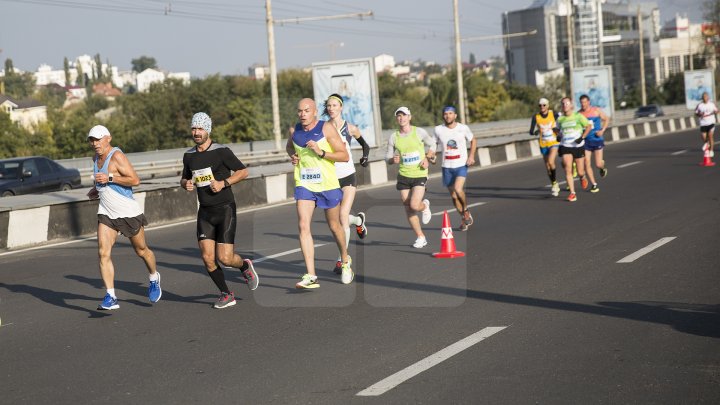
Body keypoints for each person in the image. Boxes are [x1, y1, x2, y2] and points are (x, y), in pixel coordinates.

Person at [181, 112, 258, 309]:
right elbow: (184, 177)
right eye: (194, 129)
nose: (196, 133)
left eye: (200, 129)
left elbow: (243, 171)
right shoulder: (189, 155)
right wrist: (186, 183)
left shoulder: (221, 151)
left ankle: (244, 265)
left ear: (208, 130)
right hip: (205, 212)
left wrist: (224, 183)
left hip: (225, 209)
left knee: (225, 258)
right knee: (207, 258)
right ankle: (226, 293)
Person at [86, 125, 161, 310]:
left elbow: (135, 180)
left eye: (98, 139)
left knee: (142, 251)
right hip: (106, 213)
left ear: (108, 138)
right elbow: (102, 180)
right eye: (92, 140)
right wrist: (96, 189)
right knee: (103, 253)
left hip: (127, 212)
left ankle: (154, 277)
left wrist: (109, 179)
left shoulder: (117, 156)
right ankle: (110, 296)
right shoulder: (95, 158)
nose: (95, 144)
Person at [286, 98, 353, 289]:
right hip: (305, 184)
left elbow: (344, 155)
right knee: (303, 225)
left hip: (327, 184)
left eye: (307, 111)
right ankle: (311, 275)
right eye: (299, 111)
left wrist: (321, 152)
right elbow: (289, 146)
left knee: (334, 226)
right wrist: (293, 156)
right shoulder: (295, 130)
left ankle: (345, 260)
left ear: (315, 112)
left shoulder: (327, 128)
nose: (302, 114)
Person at [323, 93, 370, 274]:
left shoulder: (350, 128)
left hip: (348, 175)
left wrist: (364, 157)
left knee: (342, 216)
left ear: (341, 107)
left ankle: (342, 259)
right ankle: (359, 220)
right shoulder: (323, 129)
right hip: (331, 179)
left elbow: (365, 145)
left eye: (334, 105)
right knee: (337, 220)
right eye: (329, 105)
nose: (331, 108)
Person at [386, 106, 436, 247]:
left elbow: (432, 144)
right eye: (399, 116)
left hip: (419, 173)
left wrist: (427, 157)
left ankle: (425, 206)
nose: (401, 118)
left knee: (414, 204)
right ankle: (420, 237)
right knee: (408, 207)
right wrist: (392, 160)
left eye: (404, 115)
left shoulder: (419, 132)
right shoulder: (393, 137)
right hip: (404, 174)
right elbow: (387, 157)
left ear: (409, 117)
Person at [433, 105, 477, 231]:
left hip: (461, 164)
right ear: (443, 116)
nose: (448, 116)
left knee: (458, 189)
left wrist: (471, 156)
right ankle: (464, 218)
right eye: (446, 114)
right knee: (453, 196)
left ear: (455, 115)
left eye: (451, 113)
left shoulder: (463, 128)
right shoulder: (438, 130)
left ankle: (466, 210)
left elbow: (473, 140)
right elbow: (433, 144)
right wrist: (431, 155)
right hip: (446, 166)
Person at [557, 97, 593, 202]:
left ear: (571, 105)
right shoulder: (560, 119)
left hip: (577, 146)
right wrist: (558, 135)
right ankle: (573, 193)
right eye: (563, 104)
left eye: (567, 103)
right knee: (568, 169)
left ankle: (582, 177)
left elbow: (588, 126)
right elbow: (556, 129)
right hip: (565, 145)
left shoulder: (578, 116)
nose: (565, 105)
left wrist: (582, 137)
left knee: (580, 171)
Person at [529, 98, 561, 196]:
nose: (542, 107)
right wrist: (536, 132)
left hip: (553, 142)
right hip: (543, 143)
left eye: (543, 105)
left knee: (551, 162)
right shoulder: (536, 116)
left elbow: (561, 123)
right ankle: (554, 184)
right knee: (547, 167)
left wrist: (559, 132)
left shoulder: (553, 114)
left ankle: (555, 183)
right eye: (540, 105)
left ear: (547, 105)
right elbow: (530, 131)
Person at [578, 94, 610, 192]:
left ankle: (602, 167)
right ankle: (594, 184)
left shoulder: (596, 110)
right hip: (586, 141)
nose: (583, 104)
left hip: (597, 139)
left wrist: (602, 130)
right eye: (581, 102)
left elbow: (606, 119)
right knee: (586, 162)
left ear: (588, 102)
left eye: (585, 102)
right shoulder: (579, 114)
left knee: (597, 164)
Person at [695, 92, 718, 158]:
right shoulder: (700, 105)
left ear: (708, 97)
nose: (705, 98)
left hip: (711, 122)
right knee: (703, 137)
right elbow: (696, 113)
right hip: (703, 123)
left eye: (706, 97)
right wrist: (700, 114)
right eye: (704, 97)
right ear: (702, 98)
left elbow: (717, 110)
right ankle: (707, 143)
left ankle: (711, 150)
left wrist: (716, 112)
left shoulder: (711, 104)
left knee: (710, 135)